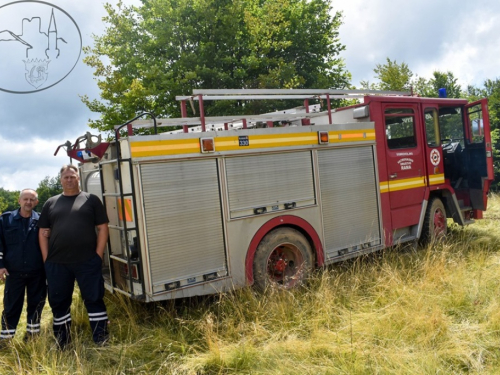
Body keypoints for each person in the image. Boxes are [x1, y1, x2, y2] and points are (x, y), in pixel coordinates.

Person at [38, 164, 109, 348]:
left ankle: (101, 338)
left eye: (72, 176)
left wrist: (98, 255)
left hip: (87, 261)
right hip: (57, 263)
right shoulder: (50, 203)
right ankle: (62, 341)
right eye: (66, 177)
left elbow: (102, 228)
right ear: (60, 179)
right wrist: (47, 260)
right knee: (59, 302)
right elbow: (43, 231)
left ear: (78, 177)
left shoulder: (91, 200)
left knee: (94, 299)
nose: (69, 179)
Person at [0, 189, 46, 347]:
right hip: (14, 272)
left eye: (32, 199)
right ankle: (6, 340)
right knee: (11, 306)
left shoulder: (41, 221)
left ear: (36, 202)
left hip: (37, 272)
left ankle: (32, 336)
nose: (28, 202)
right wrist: (0, 265)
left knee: (36, 304)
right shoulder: (5, 220)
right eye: (25, 199)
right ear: (19, 200)